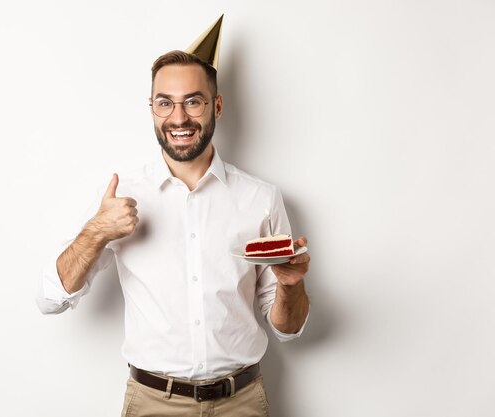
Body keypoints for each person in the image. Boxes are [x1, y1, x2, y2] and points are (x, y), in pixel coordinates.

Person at [36, 16, 311, 417]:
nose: (178, 118)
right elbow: (49, 300)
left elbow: (290, 329)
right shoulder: (121, 195)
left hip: (242, 403)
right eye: (165, 102)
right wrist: (96, 232)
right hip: (152, 404)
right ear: (152, 109)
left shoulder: (261, 198)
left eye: (193, 101)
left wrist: (289, 286)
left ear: (216, 105)